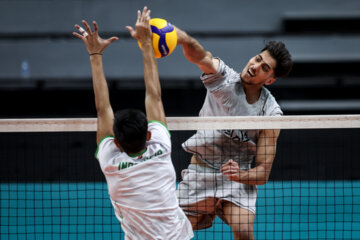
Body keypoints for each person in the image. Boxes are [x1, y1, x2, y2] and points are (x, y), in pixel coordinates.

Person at [73, 7, 193, 240]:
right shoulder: (160, 145)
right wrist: (147, 43)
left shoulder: (110, 161)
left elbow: (102, 108)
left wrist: (95, 55)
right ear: (148, 136)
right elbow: (154, 95)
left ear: (116, 141)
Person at [175, 26, 293, 240]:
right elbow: (201, 56)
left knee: (243, 231)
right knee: (170, 232)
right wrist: (182, 38)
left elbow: (263, 173)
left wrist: (240, 175)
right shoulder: (223, 79)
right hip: (200, 173)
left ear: (270, 80)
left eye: (264, 67)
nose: (255, 66)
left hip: (237, 181)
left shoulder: (271, 113)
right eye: (257, 59)